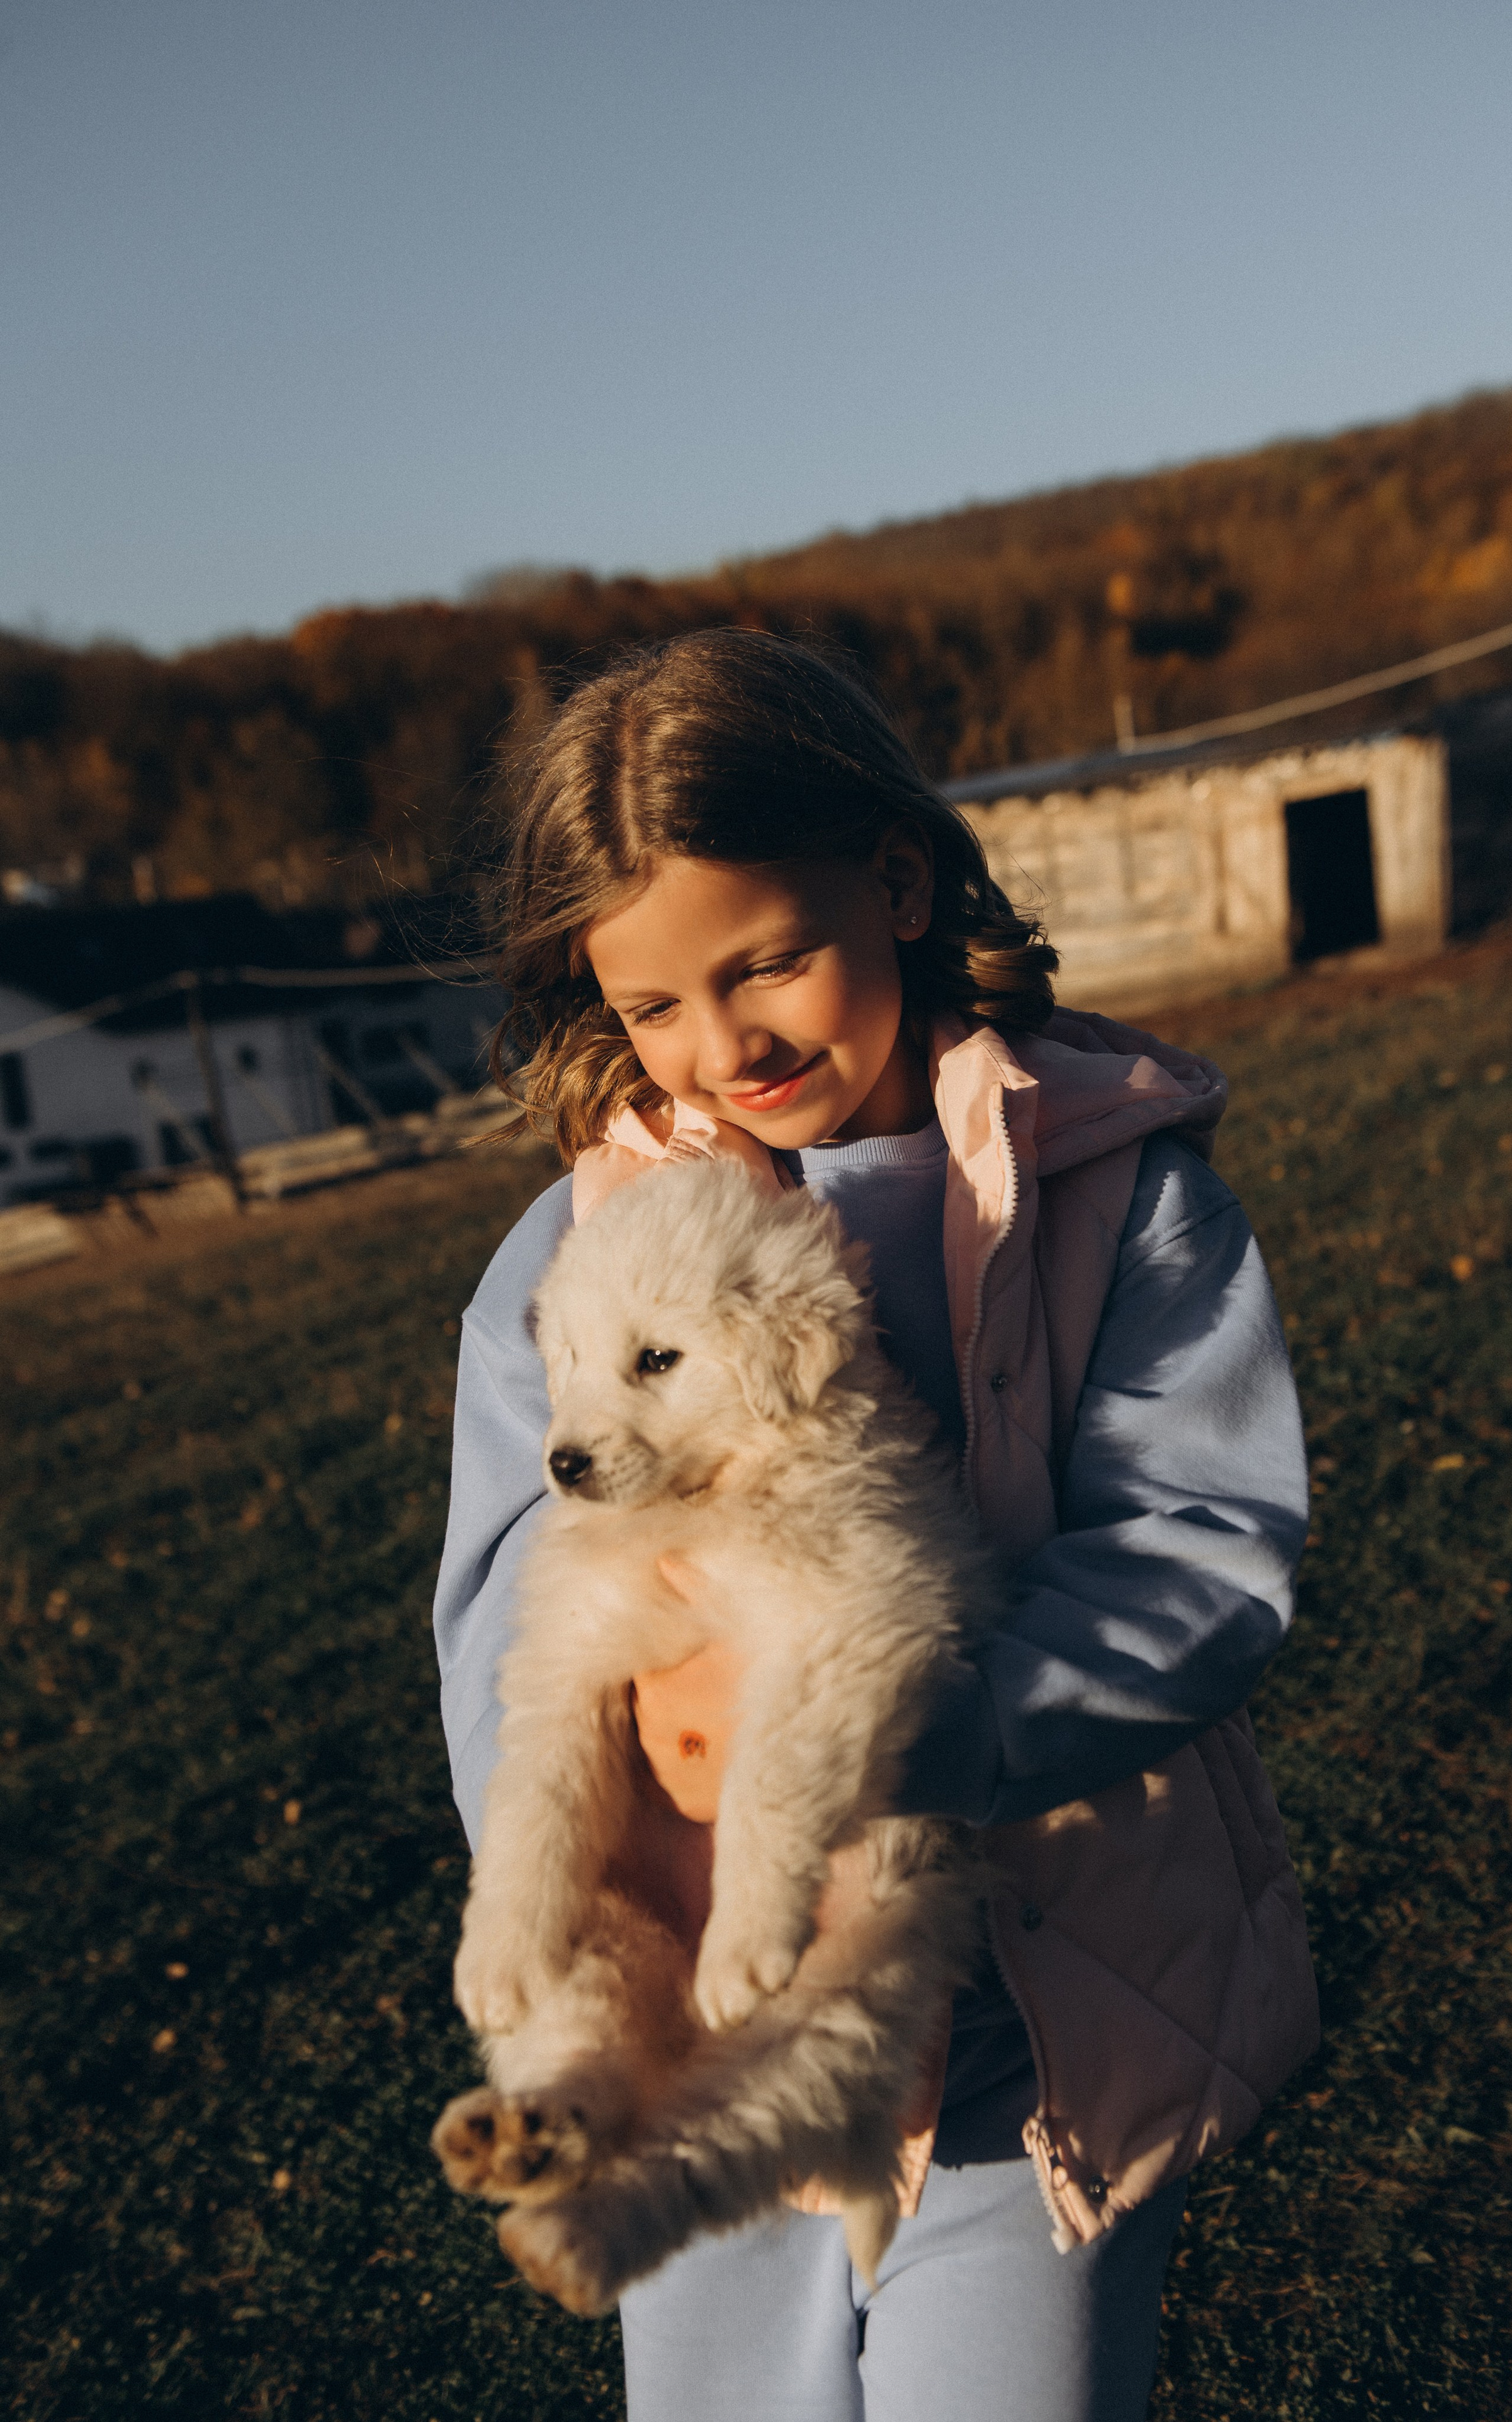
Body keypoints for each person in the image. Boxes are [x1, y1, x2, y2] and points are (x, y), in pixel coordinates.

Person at [433, 628, 1317, 2422]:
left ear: (900, 878)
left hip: (1035, 2019)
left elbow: (1202, 1549)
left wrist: (931, 1729)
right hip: (691, 2021)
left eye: (770, 962)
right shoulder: (568, 1263)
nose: (724, 1042)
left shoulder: (1118, 1193)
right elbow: (502, 1627)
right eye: (653, 1005)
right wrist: (599, 1842)